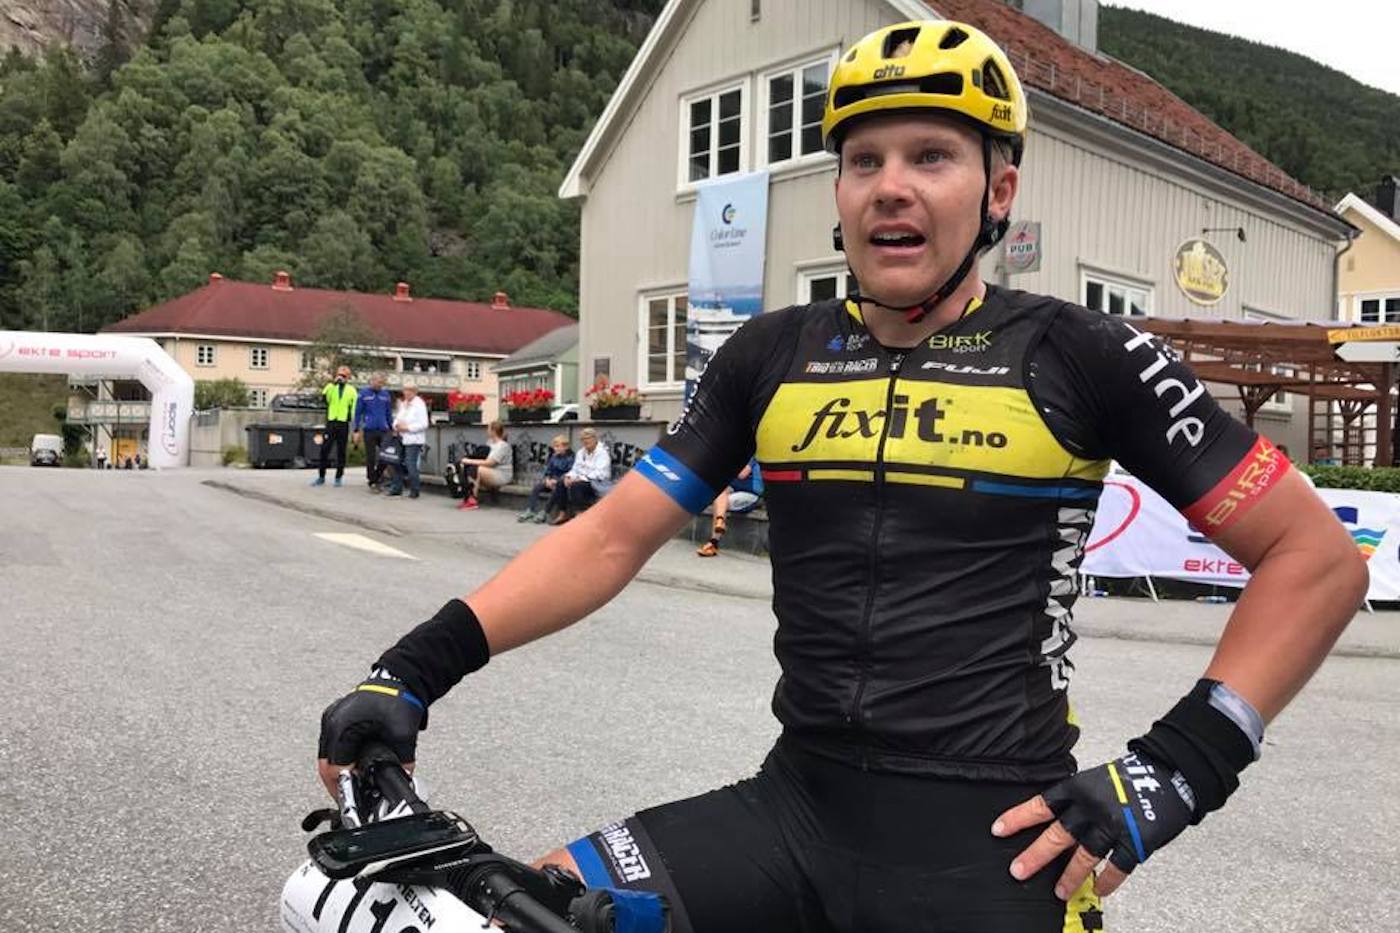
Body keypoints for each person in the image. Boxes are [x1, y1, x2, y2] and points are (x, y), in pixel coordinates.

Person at [317, 20, 1365, 933]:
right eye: (863, 160)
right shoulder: (770, 355)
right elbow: (608, 535)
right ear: (839, 192)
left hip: (993, 844)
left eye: (931, 155)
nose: (891, 185)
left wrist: (1177, 767)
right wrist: (409, 670)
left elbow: (1314, 560)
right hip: (793, 811)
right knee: (509, 913)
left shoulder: (1082, 353)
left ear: (998, 190)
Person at [696, 458, 762, 557]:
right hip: (735, 490)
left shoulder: (751, 455)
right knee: (719, 493)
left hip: (750, 493)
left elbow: (742, 474)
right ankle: (719, 525)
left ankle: (714, 541)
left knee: (721, 504)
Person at [451, 421, 515, 511]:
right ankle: (467, 497)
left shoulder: (502, 446)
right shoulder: (490, 443)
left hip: (502, 474)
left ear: (493, 431)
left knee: (478, 470)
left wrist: (469, 461)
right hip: (491, 471)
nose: (487, 431)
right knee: (469, 469)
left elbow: (490, 463)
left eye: (488, 429)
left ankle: (473, 500)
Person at [311, 365, 357, 487]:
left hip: (343, 423)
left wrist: (354, 425)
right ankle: (321, 476)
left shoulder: (351, 390)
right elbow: (325, 398)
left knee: (341, 451)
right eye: (339, 375)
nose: (341, 378)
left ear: (348, 377)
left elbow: (354, 407)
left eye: (344, 376)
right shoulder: (331, 387)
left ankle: (338, 477)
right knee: (324, 449)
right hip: (331, 421)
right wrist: (333, 384)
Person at [554, 426, 611, 525]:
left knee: (577, 485)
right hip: (582, 479)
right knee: (561, 482)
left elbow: (600, 473)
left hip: (597, 482)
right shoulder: (581, 452)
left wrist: (580, 478)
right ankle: (563, 513)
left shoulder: (602, 453)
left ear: (595, 439)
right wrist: (569, 477)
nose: (585, 441)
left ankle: (579, 515)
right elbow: (575, 469)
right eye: (583, 439)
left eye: (588, 438)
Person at [519, 434, 575, 523]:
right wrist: (547, 479)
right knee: (537, 487)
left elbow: (570, 472)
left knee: (556, 490)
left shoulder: (571, 458)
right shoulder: (554, 457)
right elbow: (548, 470)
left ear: (565, 447)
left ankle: (545, 512)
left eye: (558, 446)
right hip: (551, 481)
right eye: (555, 446)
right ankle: (530, 510)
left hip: (561, 483)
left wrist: (556, 481)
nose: (556, 449)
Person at [385, 382, 428, 499]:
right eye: (405, 390)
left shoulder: (419, 405)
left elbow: (424, 424)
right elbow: (397, 418)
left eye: (410, 390)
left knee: (410, 464)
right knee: (396, 463)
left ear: (415, 392)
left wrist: (408, 428)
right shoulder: (404, 404)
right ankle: (396, 487)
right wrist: (396, 425)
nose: (407, 393)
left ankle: (415, 489)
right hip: (401, 438)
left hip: (414, 439)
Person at [354, 372, 395, 492]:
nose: (379, 385)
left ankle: (376, 476)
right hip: (369, 429)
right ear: (371, 381)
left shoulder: (385, 394)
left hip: (383, 429)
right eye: (377, 382)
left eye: (381, 383)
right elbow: (357, 413)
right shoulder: (363, 394)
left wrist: (392, 427)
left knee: (386, 456)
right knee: (371, 457)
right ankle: (372, 481)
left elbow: (388, 413)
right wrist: (356, 429)